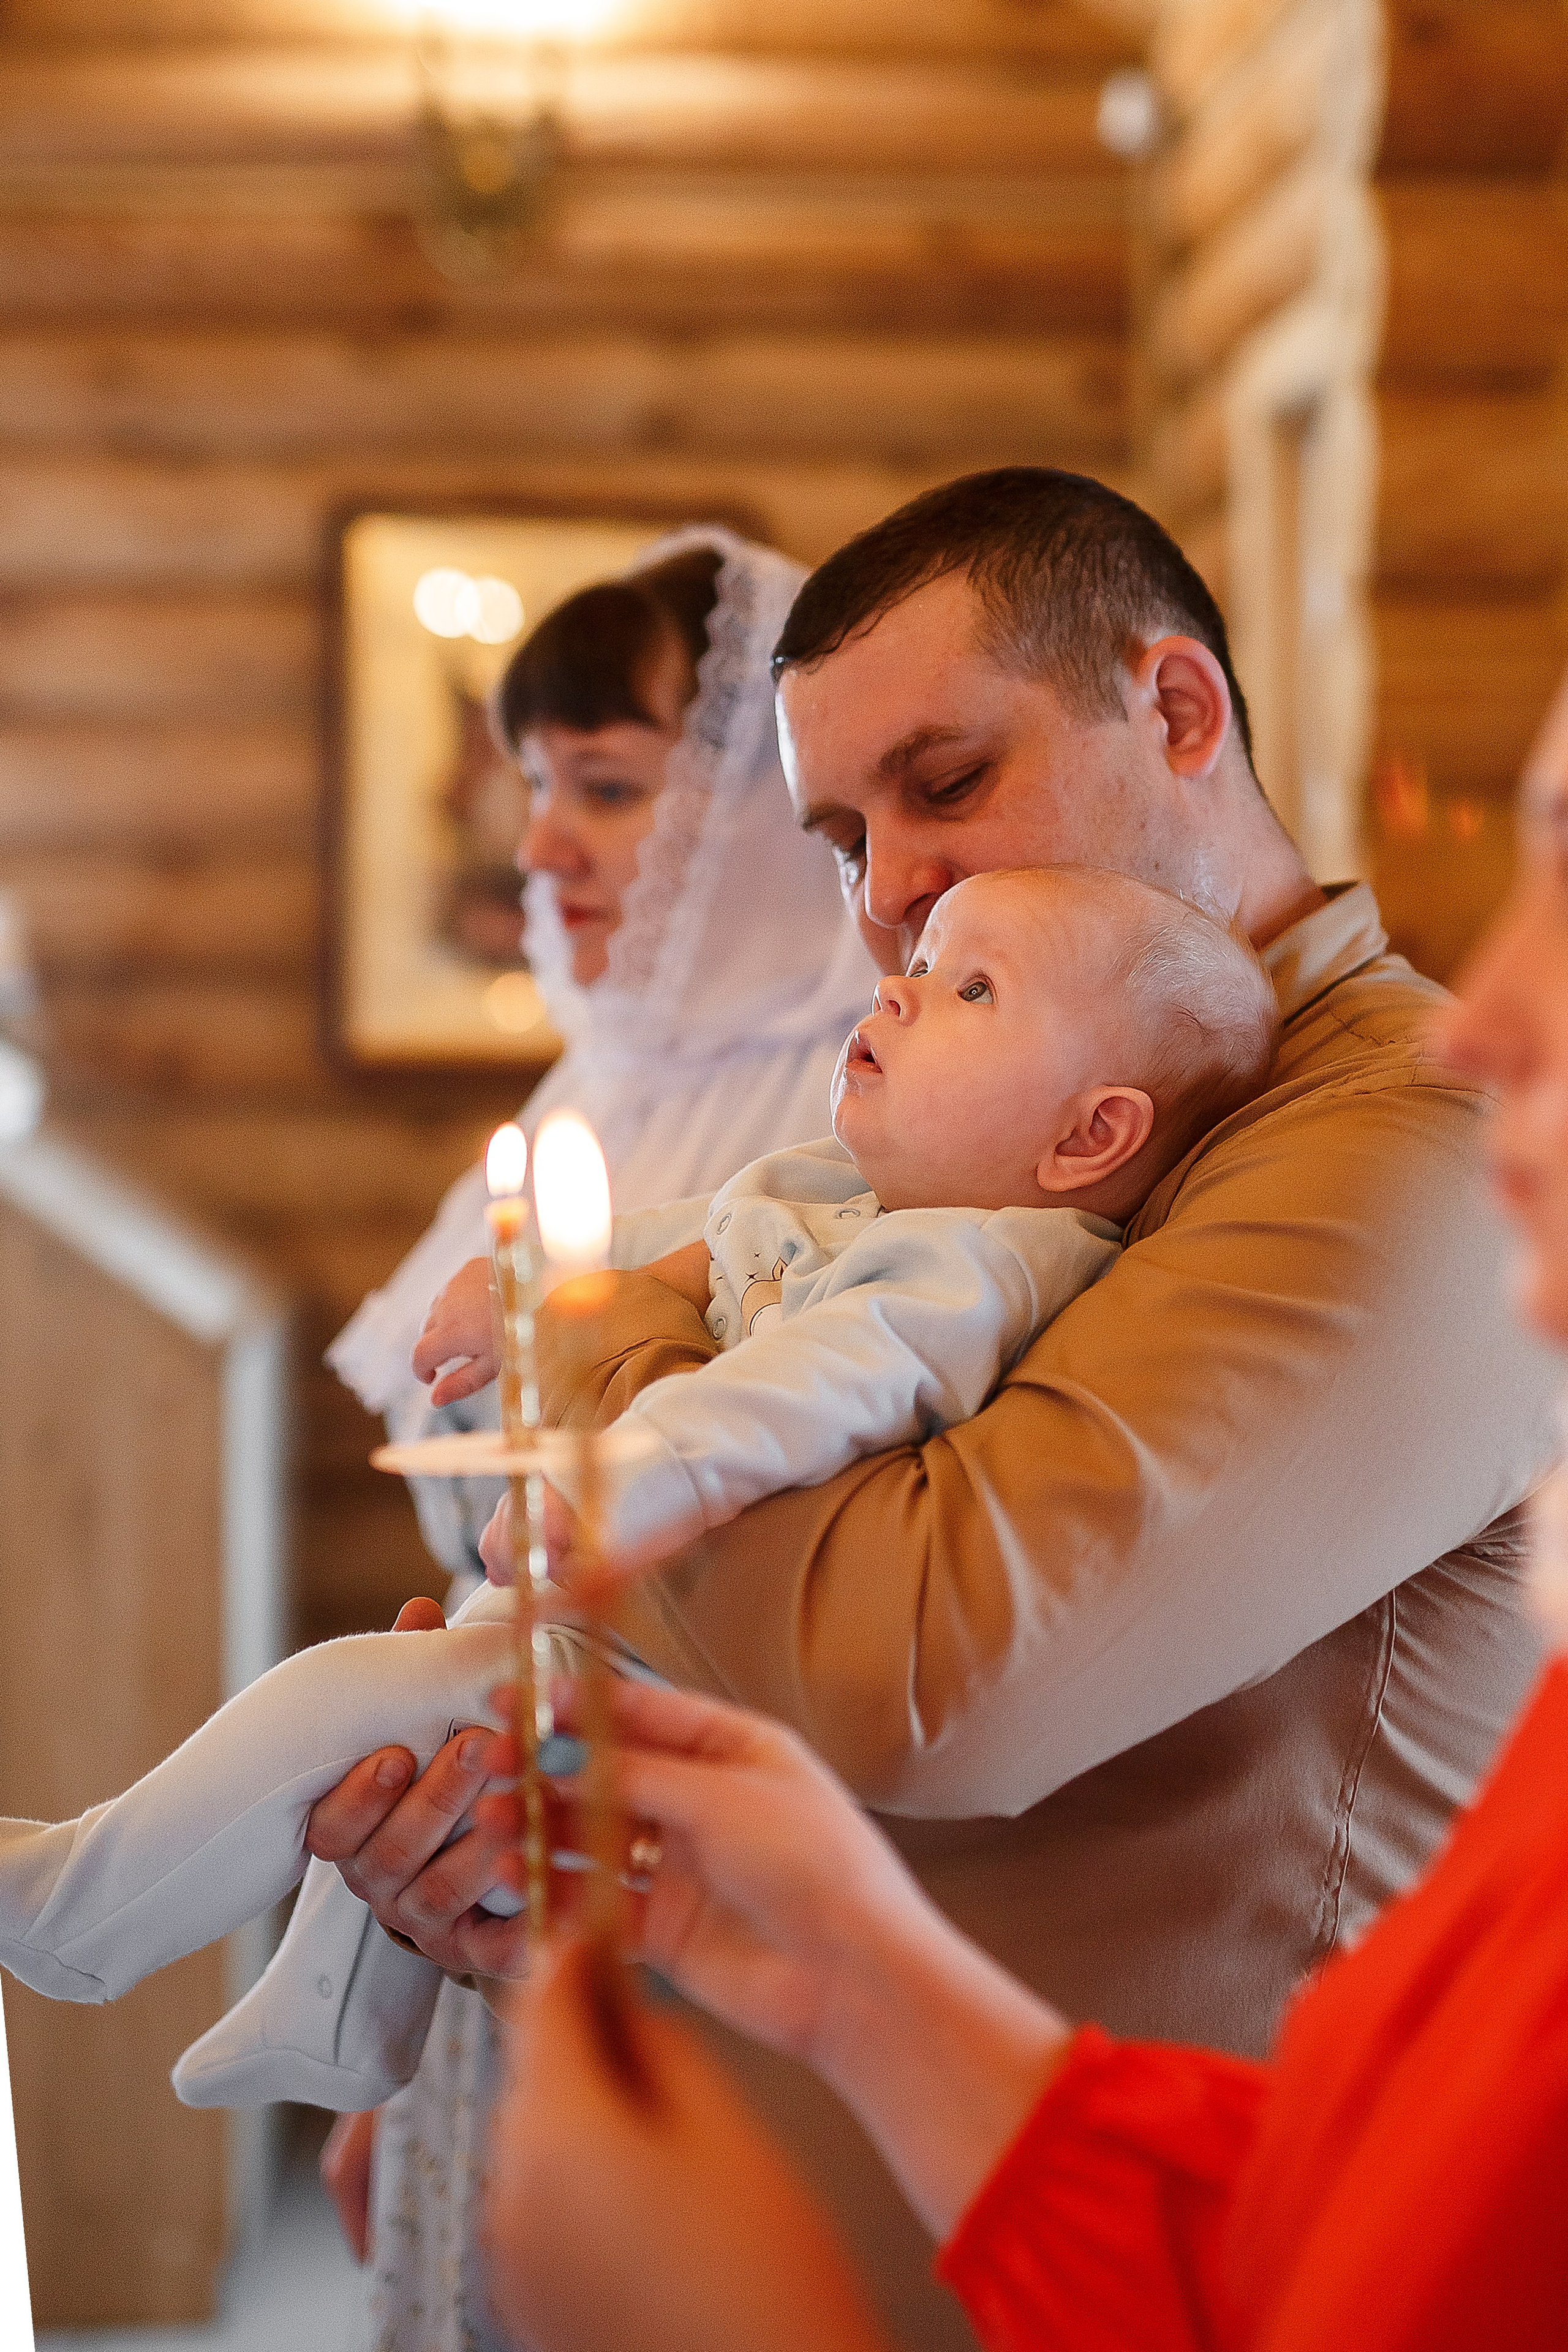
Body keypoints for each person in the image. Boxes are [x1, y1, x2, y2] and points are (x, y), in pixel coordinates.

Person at [305, 470, 1558, 2350]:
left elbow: (910, 1672)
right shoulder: (982, 1078)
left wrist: (605, 1331)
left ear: (1183, 712)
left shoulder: (1407, 1141)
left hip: (1103, 2272)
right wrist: (532, 1803)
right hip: (790, 2195)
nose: (891, 891)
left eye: (948, 783)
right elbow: (739, 1602)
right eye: (842, 831)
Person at [0, 870, 1275, 2114]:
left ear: (1088, 1136)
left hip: (700, 1668)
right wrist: (506, 1301)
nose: (897, 991)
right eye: (922, 963)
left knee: (352, 1692)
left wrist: (616, 1479)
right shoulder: (843, 1188)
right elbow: (666, 1237)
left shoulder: (972, 1263)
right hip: (633, 1617)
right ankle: (335, 2020)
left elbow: (812, 1386)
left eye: (971, 989)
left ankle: (73, 1914)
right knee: (405, 1733)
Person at [321, 523, 875, 2339]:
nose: (542, 845)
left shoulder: (860, 1096)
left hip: (690, 1902)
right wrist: (375, 2027)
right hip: (491, 1882)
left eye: (611, 789)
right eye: (538, 786)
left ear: (766, 812)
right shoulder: (617, 1080)